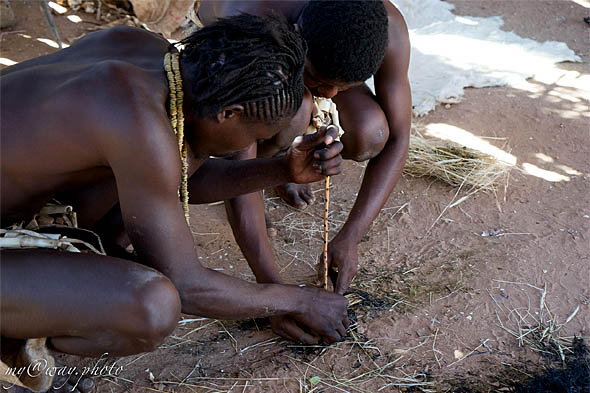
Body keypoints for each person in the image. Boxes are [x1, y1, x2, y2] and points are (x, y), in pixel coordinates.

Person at [0, 14, 349, 389]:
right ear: (228, 114)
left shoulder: (150, 55)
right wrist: (296, 301)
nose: (242, 150)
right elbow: (186, 285)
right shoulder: (137, 119)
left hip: (19, 207)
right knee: (152, 307)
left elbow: (174, 180)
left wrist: (283, 169)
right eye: (252, 138)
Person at [184, 1, 411, 311]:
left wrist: (351, 236)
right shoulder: (252, 22)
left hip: (302, 54)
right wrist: (278, 297)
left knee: (371, 132)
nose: (330, 96)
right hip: (245, 55)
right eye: (320, 81)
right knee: (292, 113)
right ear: (296, 34)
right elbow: (240, 160)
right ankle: (277, 162)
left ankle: (290, 159)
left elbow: (399, 136)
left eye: (344, 87)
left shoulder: (386, 26)